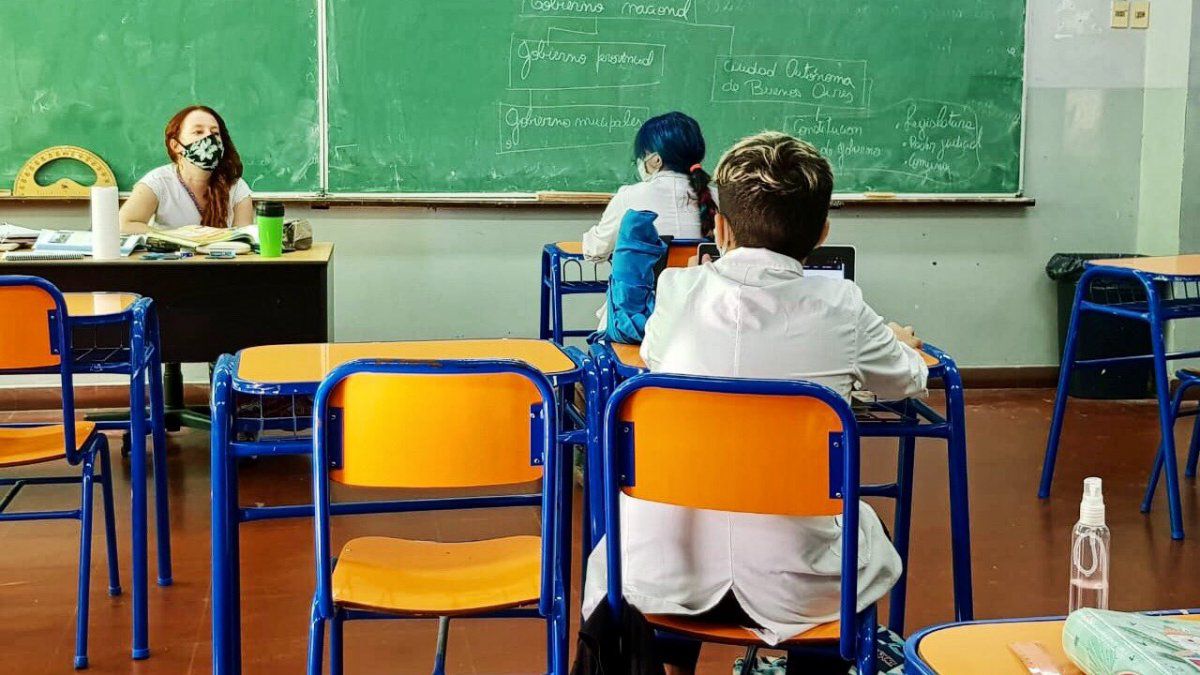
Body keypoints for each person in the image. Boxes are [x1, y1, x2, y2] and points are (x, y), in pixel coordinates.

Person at [583, 132, 927, 675]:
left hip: (662, 574)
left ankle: (674, 666)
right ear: (822, 233)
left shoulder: (676, 292)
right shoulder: (842, 305)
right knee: (866, 530)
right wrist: (899, 342)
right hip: (795, 588)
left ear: (719, 227)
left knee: (692, 493)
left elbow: (652, 355)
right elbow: (907, 380)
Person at [582, 111, 718, 330]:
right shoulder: (717, 199)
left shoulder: (630, 197)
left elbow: (594, 252)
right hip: (703, 319)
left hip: (641, 322)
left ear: (655, 159)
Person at [119, 105, 252, 233]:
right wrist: (176, 237)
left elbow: (245, 238)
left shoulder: (236, 187)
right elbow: (124, 224)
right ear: (176, 145)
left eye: (215, 133)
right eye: (198, 132)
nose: (209, 138)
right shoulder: (158, 182)